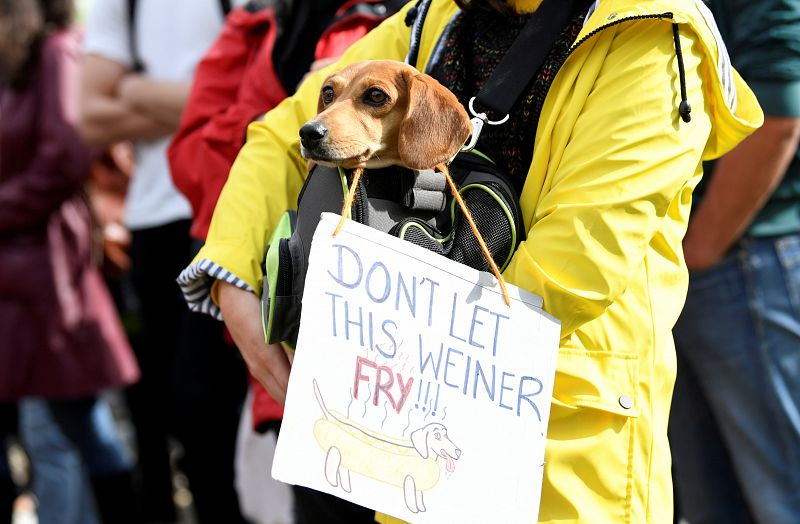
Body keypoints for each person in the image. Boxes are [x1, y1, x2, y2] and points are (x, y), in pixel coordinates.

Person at [177, 0, 763, 521]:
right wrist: (231, 274)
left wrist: (384, 353)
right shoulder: (431, 16)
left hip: (564, 467)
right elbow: (286, 133)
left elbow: (578, 265)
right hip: (420, 449)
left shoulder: (651, 34)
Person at [168, 1, 404, 521]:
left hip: (370, 337)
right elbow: (191, 157)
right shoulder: (255, 21)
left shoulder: (398, 22)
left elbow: (276, 147)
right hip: (267, 291)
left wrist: (264, 148)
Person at [77, 1, 255, 522]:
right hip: (152, 223)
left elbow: (256, 99)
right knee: (181, 411)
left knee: (216, 402)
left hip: (227, 212)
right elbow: (88, 116)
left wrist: (132, 90)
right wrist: (199, 106)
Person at [0, 1, 141, 523]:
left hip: (46, 273)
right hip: (19, 272)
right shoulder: (14, 63)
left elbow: (66, 152)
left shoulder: (56, 52)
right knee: (54, 427)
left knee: (66, 426)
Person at [668, 0, 800, 522]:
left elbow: (779, 117)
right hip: (699, 266)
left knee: (784, 497)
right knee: (711, 505)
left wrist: (701, 245)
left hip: (742, 263)